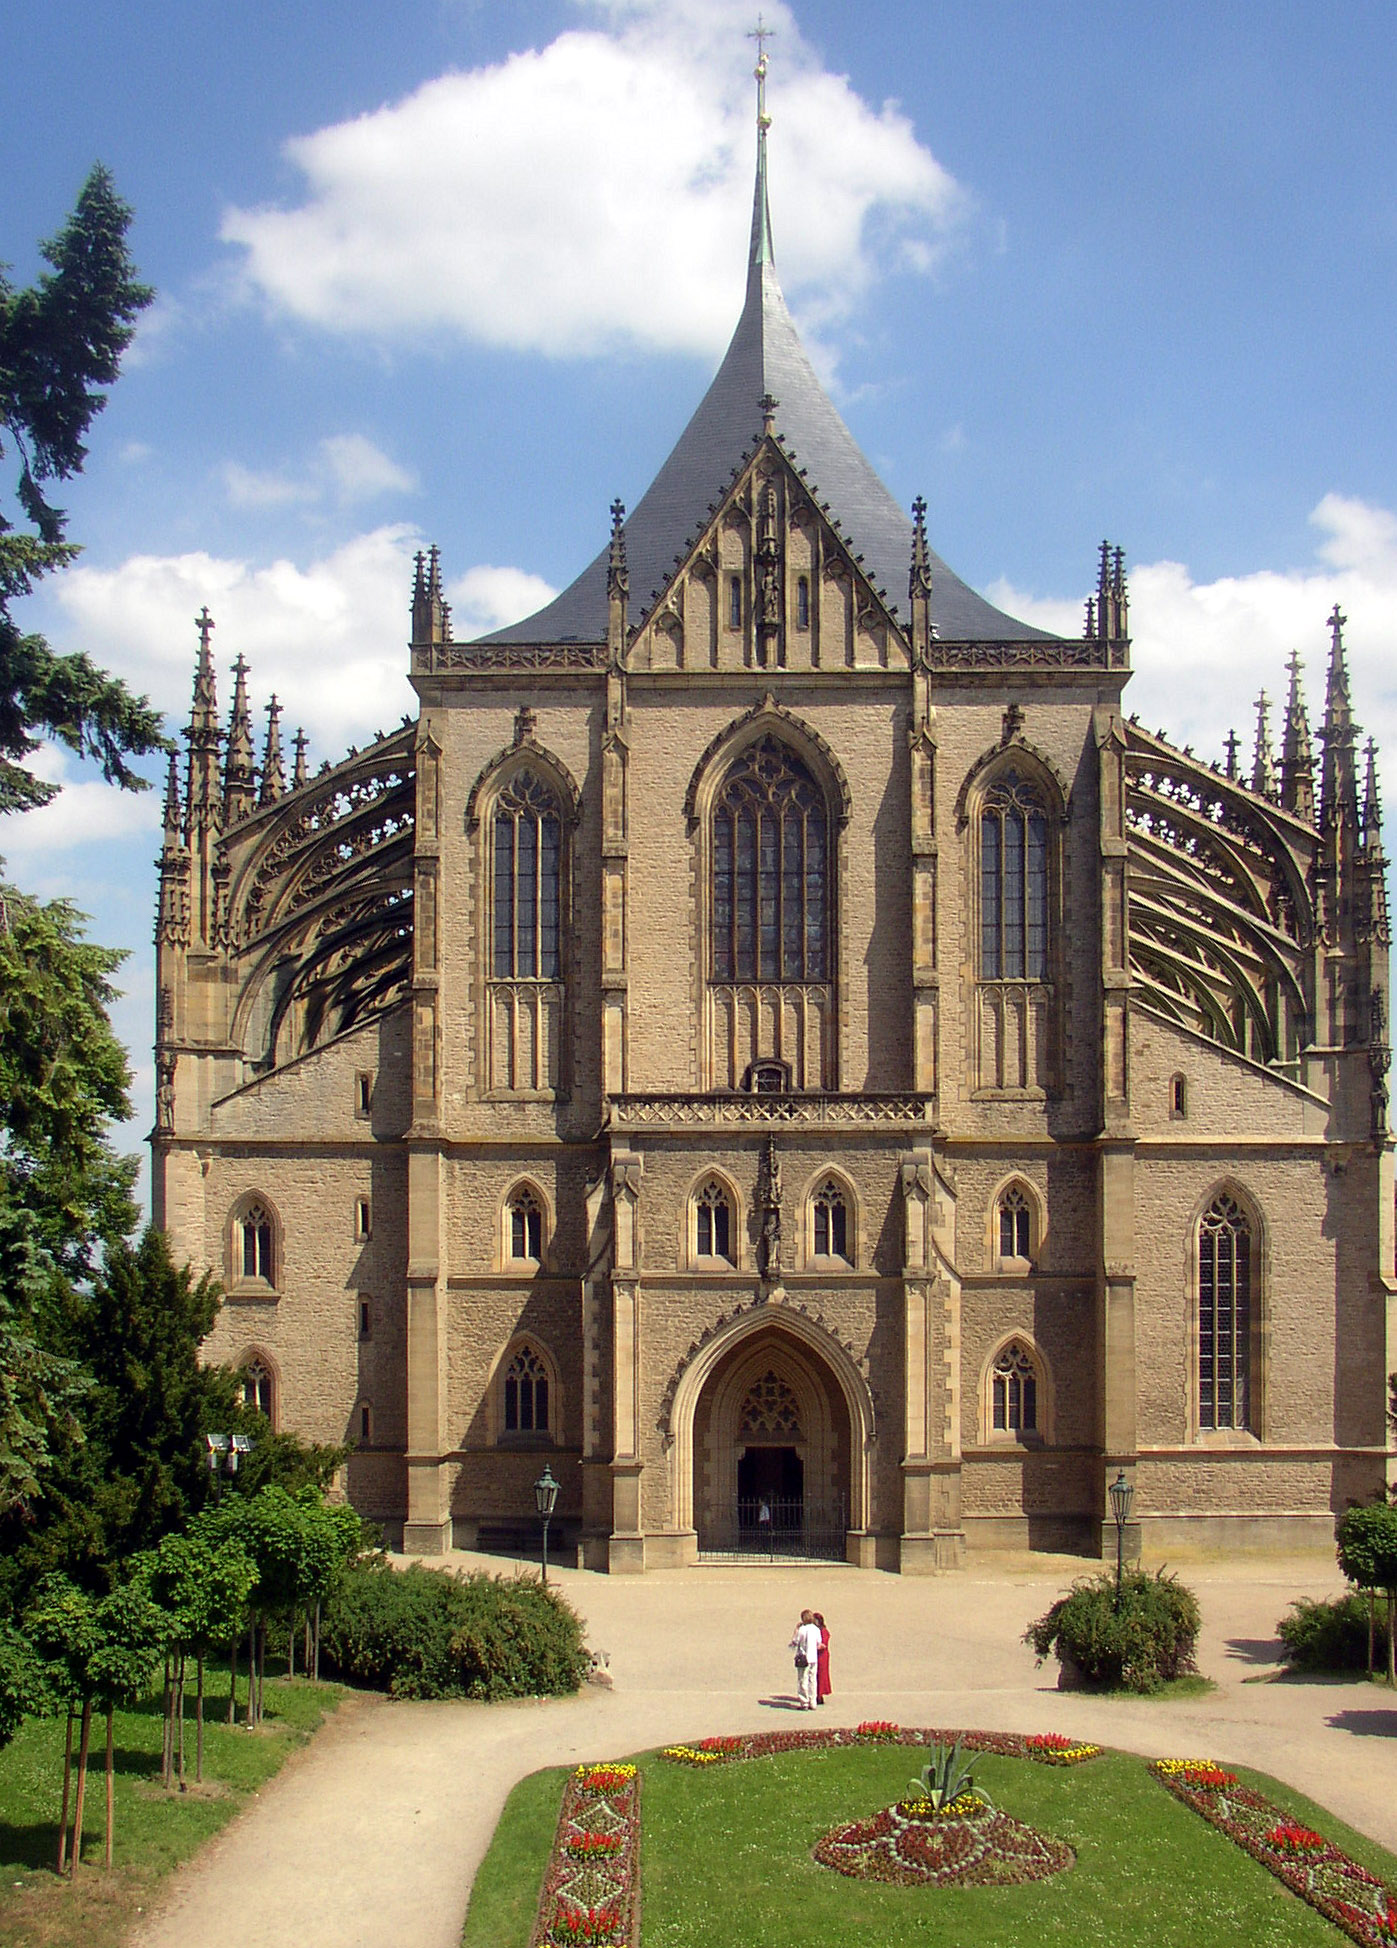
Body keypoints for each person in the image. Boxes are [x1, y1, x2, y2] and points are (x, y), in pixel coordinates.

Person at [790, 1609, 821, 1710]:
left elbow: (795, 1641)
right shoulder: (816, 1629)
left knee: (803, 1680)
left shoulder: (802, 1630)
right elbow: (818, 1642)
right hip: (813, 1658)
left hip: (804, 1658)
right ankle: (813, 1702)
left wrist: (796, 1630)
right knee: (813, 1680)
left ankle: (804, 1702)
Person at [814, 1611, 831, 1706]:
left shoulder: (823, 1631)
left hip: (822, 1657)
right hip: (817, 1655)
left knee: (821, 1675)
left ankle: (819, 1695)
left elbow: (823, 1645)